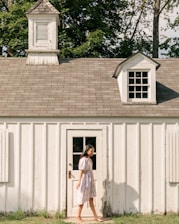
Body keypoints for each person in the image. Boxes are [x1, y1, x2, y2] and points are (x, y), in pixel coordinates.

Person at [76, 144, 103, 222]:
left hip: (90, 180)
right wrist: (79, 181)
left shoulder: (90, 160)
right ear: (87, 151)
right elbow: (81, 171)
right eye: (91, 151)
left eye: (93, 151)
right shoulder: (83, 159)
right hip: (85, 181)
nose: (92, 153)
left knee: (91, 199)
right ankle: (78, 216)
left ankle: (95, 216)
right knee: (82, 198)